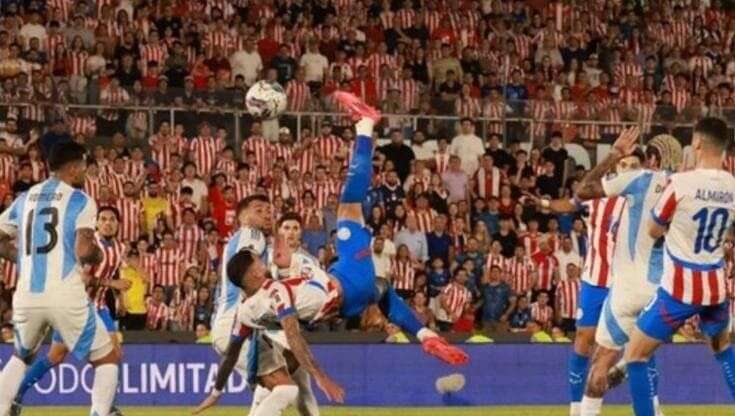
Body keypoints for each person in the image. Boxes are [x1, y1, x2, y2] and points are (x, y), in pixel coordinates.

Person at [193, 91, 468, 415]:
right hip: (344, 287)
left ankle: (423, 333)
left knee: (294, 376)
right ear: (254, 271)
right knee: (349, 208)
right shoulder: (253, 247)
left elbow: (245, 340)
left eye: (282, 223)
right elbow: (292, 333)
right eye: (261, 210)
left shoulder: (269, 286)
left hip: (342, 293)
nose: (271, 219)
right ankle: (365, 125)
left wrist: (216, 389)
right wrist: (323, 376)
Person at [0, 142, 119, 415]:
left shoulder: (25, 197)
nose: (85, 174)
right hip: (65, 293)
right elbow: (84, 250)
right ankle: (100, 412)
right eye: (84, 168)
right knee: (107, 359)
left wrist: (20, 256)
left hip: (27, 295)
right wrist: (98, 257)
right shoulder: (80, 200)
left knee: (21, 356)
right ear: (74, 167)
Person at [626, 118, 735, 416]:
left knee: (635, 354)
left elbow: (652, 229)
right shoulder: (732, 186)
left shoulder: (681, 183)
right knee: (723, 350)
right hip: (715, 288)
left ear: (697, 144)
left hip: (680, 289)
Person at [526, 148, 642, 416]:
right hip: (594, 281)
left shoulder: (639, 201)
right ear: (616, 170)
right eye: (625, 165)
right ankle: (576, 407)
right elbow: (570, 202)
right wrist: (544, 205)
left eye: (634, 165)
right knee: (582, 341)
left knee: (627, 344)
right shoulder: (597, 198)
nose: (630, 169)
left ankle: (623, 384)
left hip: (625, 283)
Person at [575, 127, 682, 416]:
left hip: (627, 289)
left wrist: (614, 155)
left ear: (652, 159)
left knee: (599, 363)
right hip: (664, 292)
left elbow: (583, 190)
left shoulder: (641, 179)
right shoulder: (686, 190)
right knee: (642, 355)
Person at [11, 206, 128, 415]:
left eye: (112, 219)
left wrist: (122, 298)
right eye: (103, 219)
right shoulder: (91, 247)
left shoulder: (119, 248)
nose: (108, 223)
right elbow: (82, 279)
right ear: (97, 223)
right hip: (75, 306)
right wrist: (113, 285)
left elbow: (114, 271)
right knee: (56, 356)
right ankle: (16, 394)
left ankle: (105, 408)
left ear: (118, 224)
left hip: (99, 307)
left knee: (114, 355)